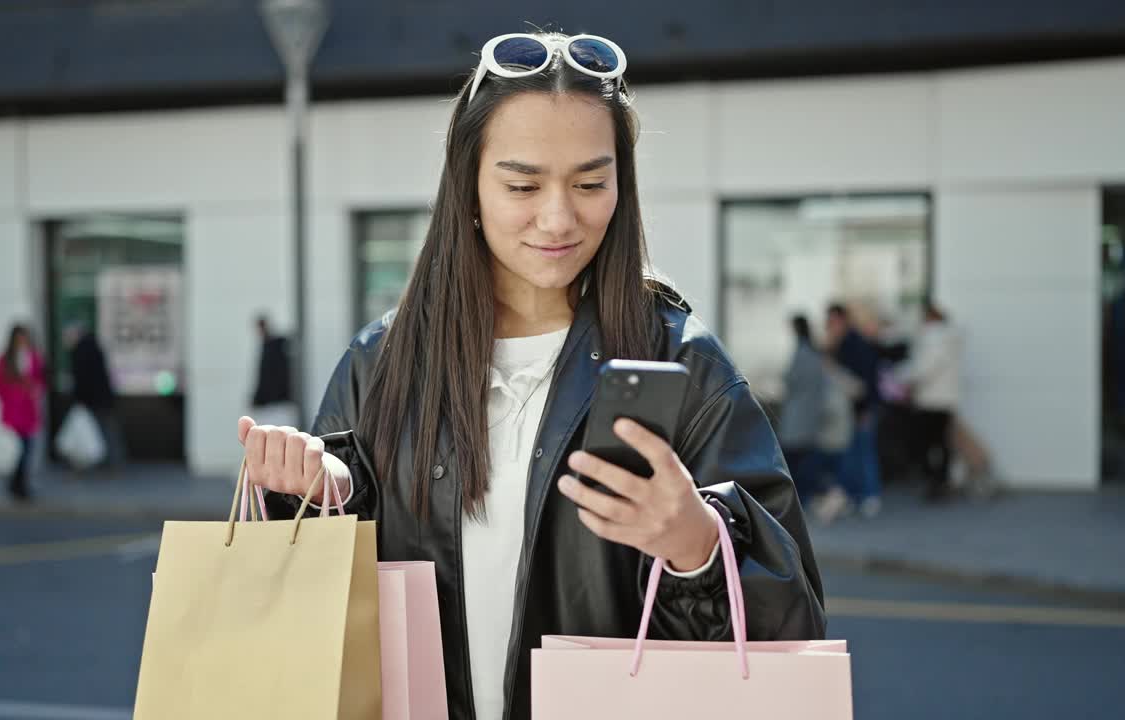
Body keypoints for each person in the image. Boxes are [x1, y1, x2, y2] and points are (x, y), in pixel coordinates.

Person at [239, 32, 825, 720]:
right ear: (471, 186)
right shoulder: (384, 363)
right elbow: (313, 613)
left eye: (590, 183)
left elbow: (793, 630)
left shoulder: (683, 363)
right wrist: (319, 494)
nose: (559, 217)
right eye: (522, 185)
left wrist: (696, 544)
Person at [893, 301, 962, 501]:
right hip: (947, 399)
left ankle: (935, 483)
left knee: (928, 444)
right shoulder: (950, 337)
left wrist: (902, 377)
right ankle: (942, 482)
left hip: (931, 400)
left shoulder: (934, 338)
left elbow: (924, 368)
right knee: (941, 443)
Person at [825, 302, 884, 517]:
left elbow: (867, 379)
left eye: (832, 322)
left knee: (864, 452)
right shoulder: (843, 344)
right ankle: (857, 495)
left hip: (863, 408)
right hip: (851, 410)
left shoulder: (855, 344)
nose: (829, 327)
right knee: (853, 453)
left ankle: (870, 495)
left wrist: (866, 409)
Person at [778, 315, 830, 505]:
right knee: (807, 455)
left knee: (793, 457)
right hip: (811, 411)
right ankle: (806, 494)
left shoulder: (802, 352)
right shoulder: (815, 351)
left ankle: (798, 497)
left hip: (797, 411)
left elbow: (791, 379)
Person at [0, 324, 44, 501]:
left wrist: (35, 389)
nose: (23, 341)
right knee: (25, 448)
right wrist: (13, 395)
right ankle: (17, 484)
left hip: (29, 409)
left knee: (28, 448)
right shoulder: (6, 359)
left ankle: (17, 483)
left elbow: (41, 379)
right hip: (15, 410)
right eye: (20, 337)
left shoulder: (33, 357)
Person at [66, 323, 125, 469]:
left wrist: (79, 399)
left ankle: (110, 463)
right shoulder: (94, 347)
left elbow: (83, 379)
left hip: (94, 399)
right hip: (102, 398)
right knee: (107, 431)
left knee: (102, 431)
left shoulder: (81, 351)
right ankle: (112, 463)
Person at [250, 314, 296, 428]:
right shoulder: (268, 347)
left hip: (280, 402)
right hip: (273, 403)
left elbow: (268, 377)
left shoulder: (275, 347)